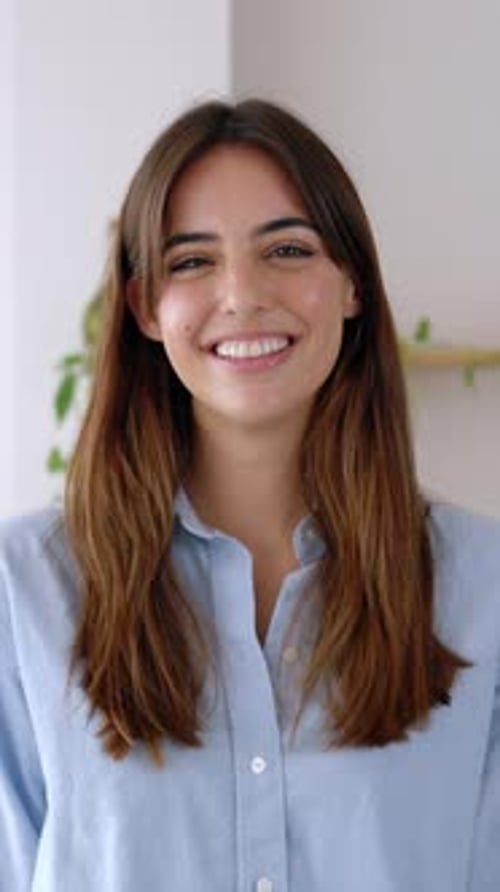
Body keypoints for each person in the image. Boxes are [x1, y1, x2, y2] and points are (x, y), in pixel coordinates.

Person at [1, 98, 499, 892]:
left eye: (289, 249)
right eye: (192, 261)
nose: (242, 294)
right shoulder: (22, 590)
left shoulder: (485, 586)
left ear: (352, 286)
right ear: (144, 308)